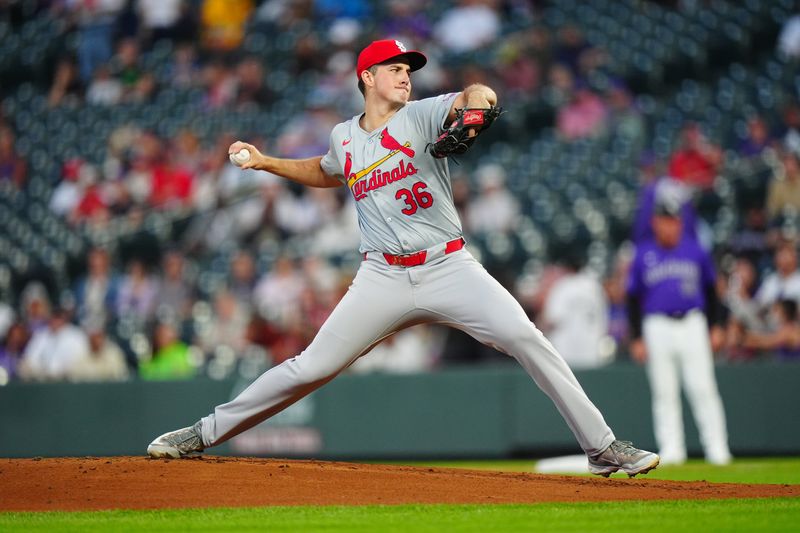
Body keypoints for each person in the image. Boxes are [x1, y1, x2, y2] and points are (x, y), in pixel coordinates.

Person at [147, 39, 659, 477]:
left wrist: (477, 110)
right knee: (310, 368)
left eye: (409, 70)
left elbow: (475, 94)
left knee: (527, 337)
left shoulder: (423, 114)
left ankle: (602, 448)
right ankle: (202, 432)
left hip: (449, 266)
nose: (405, 76)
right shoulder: (343, 137)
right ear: (366, 77)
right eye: (394, 69)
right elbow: (328, 171)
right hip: (381, 276)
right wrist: (266, 163)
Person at [626, 197, 732, 466]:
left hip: (693, 323)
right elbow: (632, 298)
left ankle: (717, 449)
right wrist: (637, 336)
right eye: (664, 220)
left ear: (680, 223)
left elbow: (712, 292)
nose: (669, 226)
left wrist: (716, 325)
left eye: (673, 221)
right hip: (656, 325)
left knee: (703, 388)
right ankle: (672, 449)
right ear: (655, 222)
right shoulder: (643, 254)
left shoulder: (695, 250)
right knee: (664, 391)